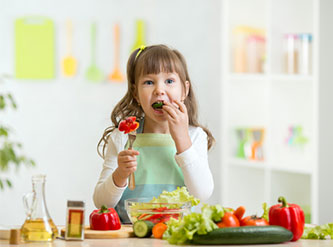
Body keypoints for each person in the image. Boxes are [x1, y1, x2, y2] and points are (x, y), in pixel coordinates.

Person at [93, 44, 215, 223]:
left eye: (169, 81)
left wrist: (181, 139)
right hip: (130, 236)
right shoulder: (123, 136)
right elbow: (100, 202)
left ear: (185, 90)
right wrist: (120, 174)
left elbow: (202, 193)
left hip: (177, 236)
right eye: (149, 82)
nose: (159, 90)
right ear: (135, 93)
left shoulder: (195, 136)